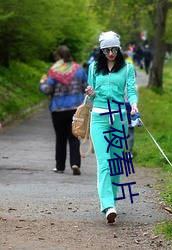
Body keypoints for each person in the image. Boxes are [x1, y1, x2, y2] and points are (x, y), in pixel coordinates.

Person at [85, 31, 138, 223]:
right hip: (99, 117)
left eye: (114, 49)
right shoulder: (93, 68)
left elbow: (131, 90)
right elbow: (91, 96)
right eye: (106, 50)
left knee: (116, 163)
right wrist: (90, 92)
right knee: (104, 162)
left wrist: (133, 104)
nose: (110, 53)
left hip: (119, 118)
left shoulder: (127, 68)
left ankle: (112, 201)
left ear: (119, 48)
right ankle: (108, 205)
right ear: (101, 50)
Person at [39, 45, 88, 175]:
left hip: (58, 109)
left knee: (60, 138)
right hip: (75, 109)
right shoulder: (79, 70)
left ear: (58, 57)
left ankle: (60, 166)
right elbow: (86, 87)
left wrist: (42, 83)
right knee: (74, 137)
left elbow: (47, 90)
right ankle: (75, 163)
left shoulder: (54, 71)